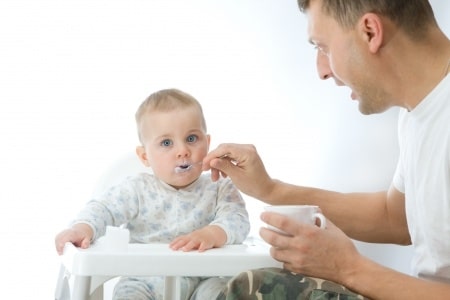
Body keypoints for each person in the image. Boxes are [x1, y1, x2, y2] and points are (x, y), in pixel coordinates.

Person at [202, 0, 450, 299]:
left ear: (370, 32)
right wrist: (270, 190)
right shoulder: (418, 112)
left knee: (254, 290)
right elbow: (395, 218)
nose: (321, 71)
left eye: (323, 47)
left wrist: (349, 269)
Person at [54, 88, 250, 300]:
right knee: (128, 294)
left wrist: (213, 233)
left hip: (205, 279)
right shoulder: (137, 189)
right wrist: (83, 228)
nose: (182, 150)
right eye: (166, 143)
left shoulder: (220, 186)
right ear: (145, 156)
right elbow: (104, 209)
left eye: (192, 138)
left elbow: (237, 219)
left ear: (208, 143)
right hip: (144, 279)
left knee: (224, 293)